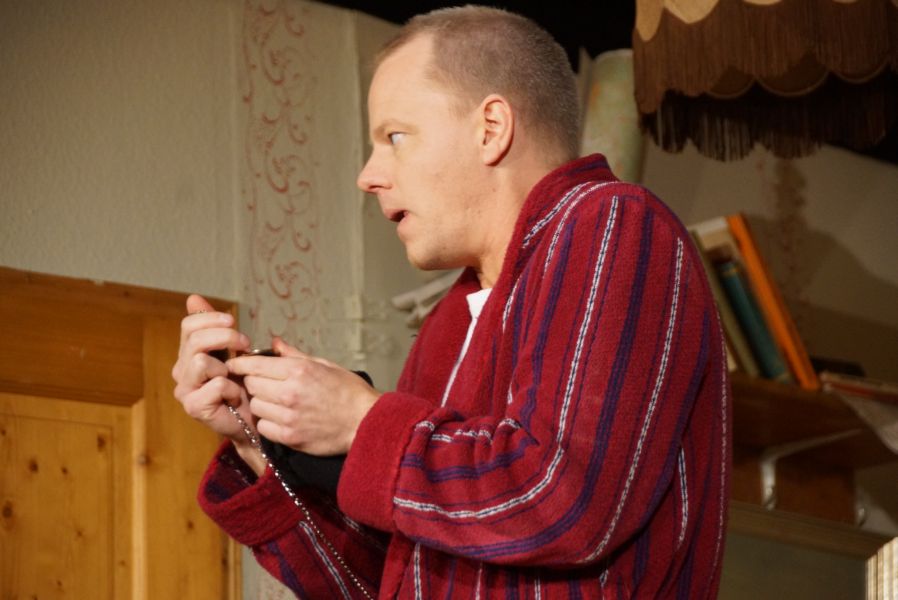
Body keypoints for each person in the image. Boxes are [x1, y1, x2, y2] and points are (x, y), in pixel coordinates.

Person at [172, 5, 731, 598]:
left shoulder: (614, 223)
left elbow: (561, 497)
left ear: (491, 128)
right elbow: (381, 583)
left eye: (394, 137)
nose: (367, 175)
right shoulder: (450, 323)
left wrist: (361, 421)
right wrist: (257, 438)